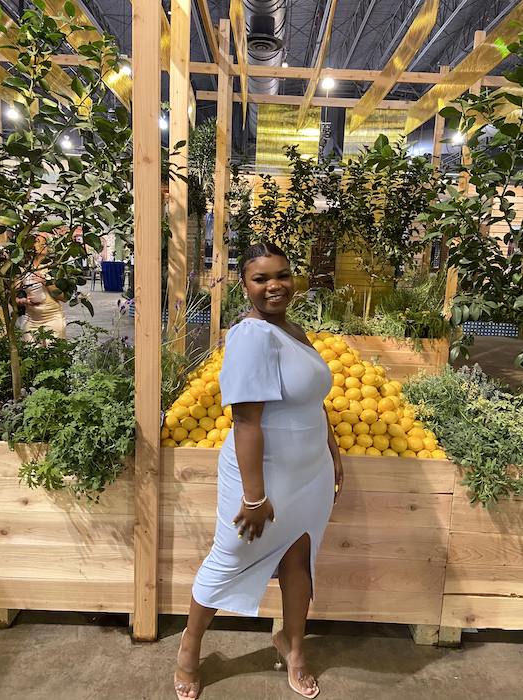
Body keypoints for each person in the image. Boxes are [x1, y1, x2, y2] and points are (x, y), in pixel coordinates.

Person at [174, 241, 344, 699]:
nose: (275, 286)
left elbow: (313, 401)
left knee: (298, 558)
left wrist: (333, 453)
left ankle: (294, 649)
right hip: (260, 475)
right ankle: (189, 649)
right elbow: (246, 420)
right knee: (228, 557)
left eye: (282, 275)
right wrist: (254, 497)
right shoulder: (250, 336)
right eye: (261, 278)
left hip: (310, 470)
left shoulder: (293, 328)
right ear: (244, 285)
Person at [16, 233, 66, 342]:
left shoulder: (53, 268)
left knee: (54, 354)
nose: (39, 244)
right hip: (31, 319)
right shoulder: (23, 269)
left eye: (42, 242)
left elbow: (64, 298)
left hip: (52, 318)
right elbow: (10, 295)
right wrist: (22, 301)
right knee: (30, 352)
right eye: (36, 241)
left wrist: (45, 281)